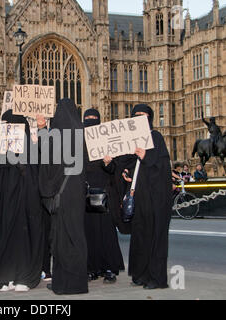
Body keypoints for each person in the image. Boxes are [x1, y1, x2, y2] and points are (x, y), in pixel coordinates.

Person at [0, 110, 44, 292]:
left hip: (24, 198)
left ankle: (23, 277)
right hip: (4, 199)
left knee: (22, 236)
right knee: (4, 234)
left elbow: (37, 170)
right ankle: (5, 276)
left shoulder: (32, 146)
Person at [38, 98, 88, 295]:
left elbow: (46, 159)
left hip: (62, 195)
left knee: (61, 239)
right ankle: (78, 282)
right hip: (77, 195)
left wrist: (42, 128)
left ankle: (64, 282)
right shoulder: (82, 136)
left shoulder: (58, 136)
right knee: (77, 236)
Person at [119, 104, 172, 290]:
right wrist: (126, 171)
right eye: (135, 115)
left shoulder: (155, 137)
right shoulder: (132, 140)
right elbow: (131, 166)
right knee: (140, 237)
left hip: (154, 199)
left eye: (143, 115)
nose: (139, 118)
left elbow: (162, 168)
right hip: (140, 198)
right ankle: (140, 274)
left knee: (153, 238)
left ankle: (156, 278)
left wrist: (146, 156)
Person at [83, 108, 125, 284]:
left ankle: (109, 267)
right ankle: (92, 268)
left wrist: (108, 163)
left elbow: (114, 169)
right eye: (88, 119)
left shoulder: (107, 140)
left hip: (104, 192)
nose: (91, 121)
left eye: (94, 119)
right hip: (86, 192)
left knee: (106, 232)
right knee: (89, 233)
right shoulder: (79, 141)